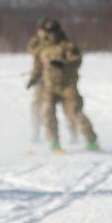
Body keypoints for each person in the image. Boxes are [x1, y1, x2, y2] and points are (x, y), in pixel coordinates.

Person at [26, 18, 98, 153]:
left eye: (53, 32)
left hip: (67, 87)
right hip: (49, 87)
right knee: (47, 113)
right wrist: (33, 79)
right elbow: (38, 66)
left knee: (75, 113)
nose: (51, 35)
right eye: (49, 32)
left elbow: (76, 61)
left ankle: (91, 140)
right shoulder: (42, 48)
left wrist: (63, 63)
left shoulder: (67, 45)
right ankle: (54, 142)